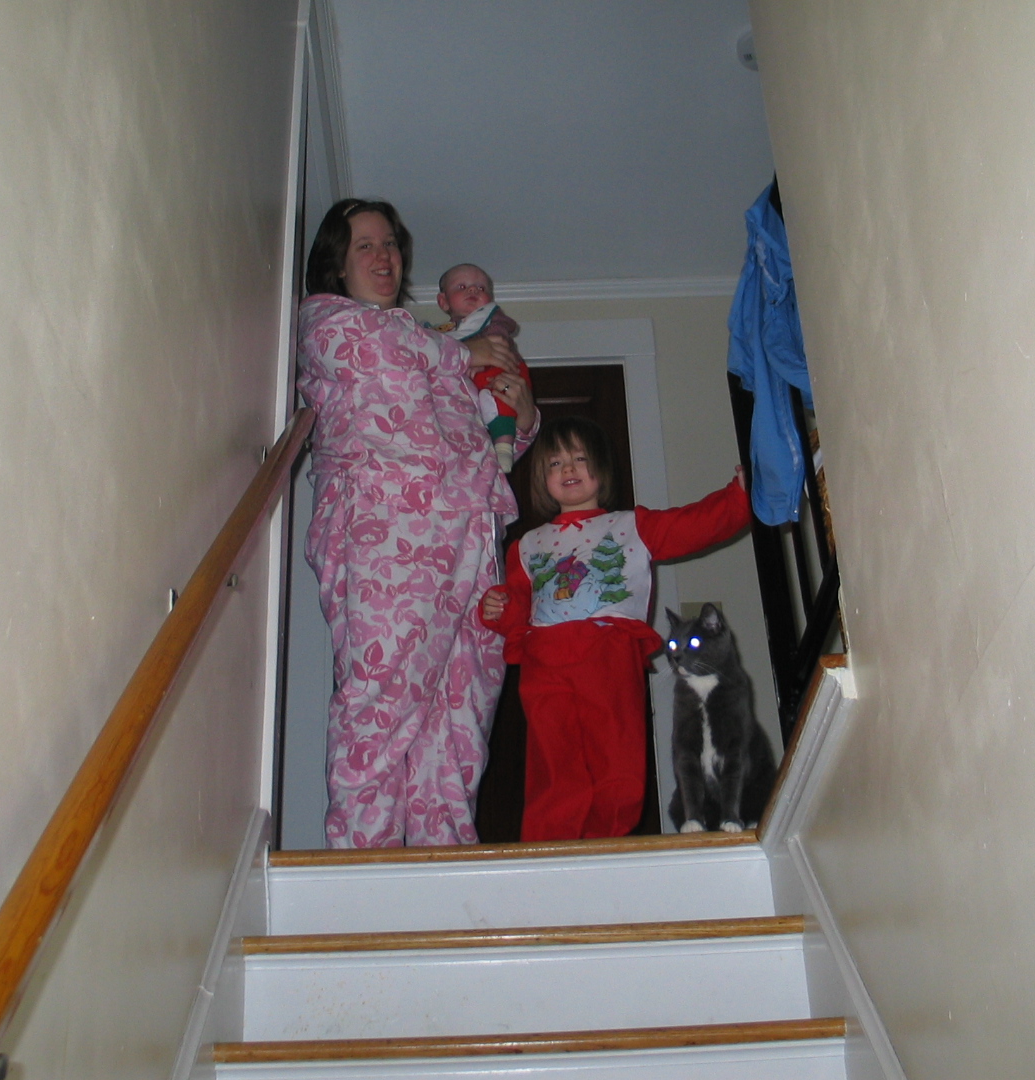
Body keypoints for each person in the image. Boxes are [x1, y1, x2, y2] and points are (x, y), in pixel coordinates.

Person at [297, 198, 537, 848]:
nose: (384, 256)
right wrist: (463, 351)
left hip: (470, 538)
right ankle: (363, 871)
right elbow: (385, 357)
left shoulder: (430, 342)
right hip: (388, 532)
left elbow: (481, 425)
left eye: (390, 245)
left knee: (459, 716)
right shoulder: (328, 322)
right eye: (365, 246)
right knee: (380, 701)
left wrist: (521, 412)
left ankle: (442, 864)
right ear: (337, 264)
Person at [479, 416, 749, 842]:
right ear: (542, 478)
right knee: (553, 756)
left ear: (601, 469)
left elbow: (694, 524)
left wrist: (739, 496)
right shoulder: (526, 545)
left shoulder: (631, 526)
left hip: (608, 656)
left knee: (616, 752)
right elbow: (518, 607)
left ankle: (606, 841)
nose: (568, 469)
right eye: (555, 463)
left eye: (579, 459)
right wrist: (499, 607)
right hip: (546, 661)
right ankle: (550, 846)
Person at [434, 263, 531, 473]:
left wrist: (480, 359)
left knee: (502, 397)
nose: (473, 290)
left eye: (481, 288)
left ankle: (503, 446)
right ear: (443, 301)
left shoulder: (492, 319)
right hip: (469, 410)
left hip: (501, 369)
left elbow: (498, 339)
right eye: (461, 287)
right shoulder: (439, 336)